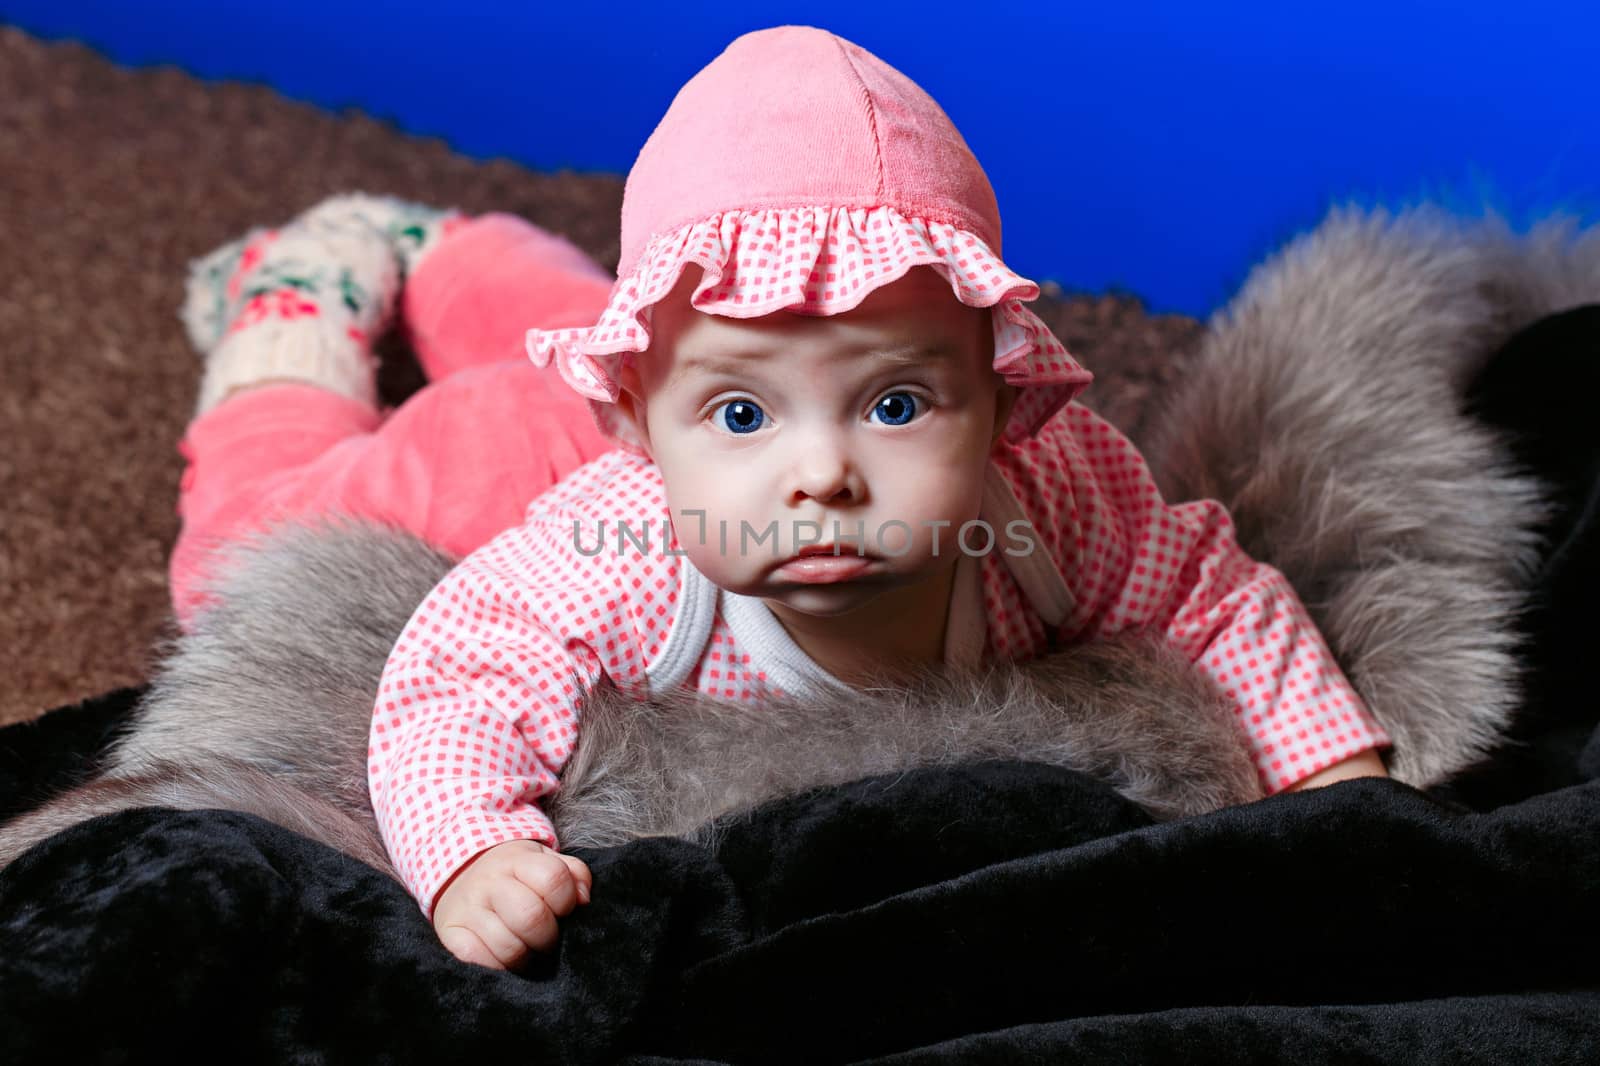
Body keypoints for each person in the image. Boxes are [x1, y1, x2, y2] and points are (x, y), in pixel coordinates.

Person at [171, 26, 1392, 973]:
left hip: (659, 393)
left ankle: (454, 246)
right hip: (490, 470)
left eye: (898, 404)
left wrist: (1332, 776)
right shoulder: (619, 563)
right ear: (636, 419)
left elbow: (1211, 594)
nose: (821, 475)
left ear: (998, 388)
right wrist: (472, 850)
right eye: (749, 418)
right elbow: (456, 674)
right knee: (245, 539)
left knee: (730, 339)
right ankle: (300, 295)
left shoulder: (1054, 499)